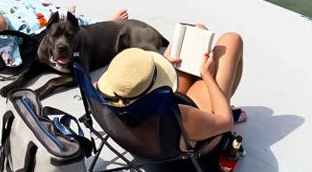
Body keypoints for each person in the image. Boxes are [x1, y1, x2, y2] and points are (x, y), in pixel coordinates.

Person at [95, 28, 245, 147]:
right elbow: (227, 122)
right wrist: (208, 77)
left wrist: (161, 64)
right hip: (185, 129)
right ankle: (223, 103)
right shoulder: (185, 116)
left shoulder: (104, 95)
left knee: (198, 31)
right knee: (232, 40)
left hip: (150, 123)